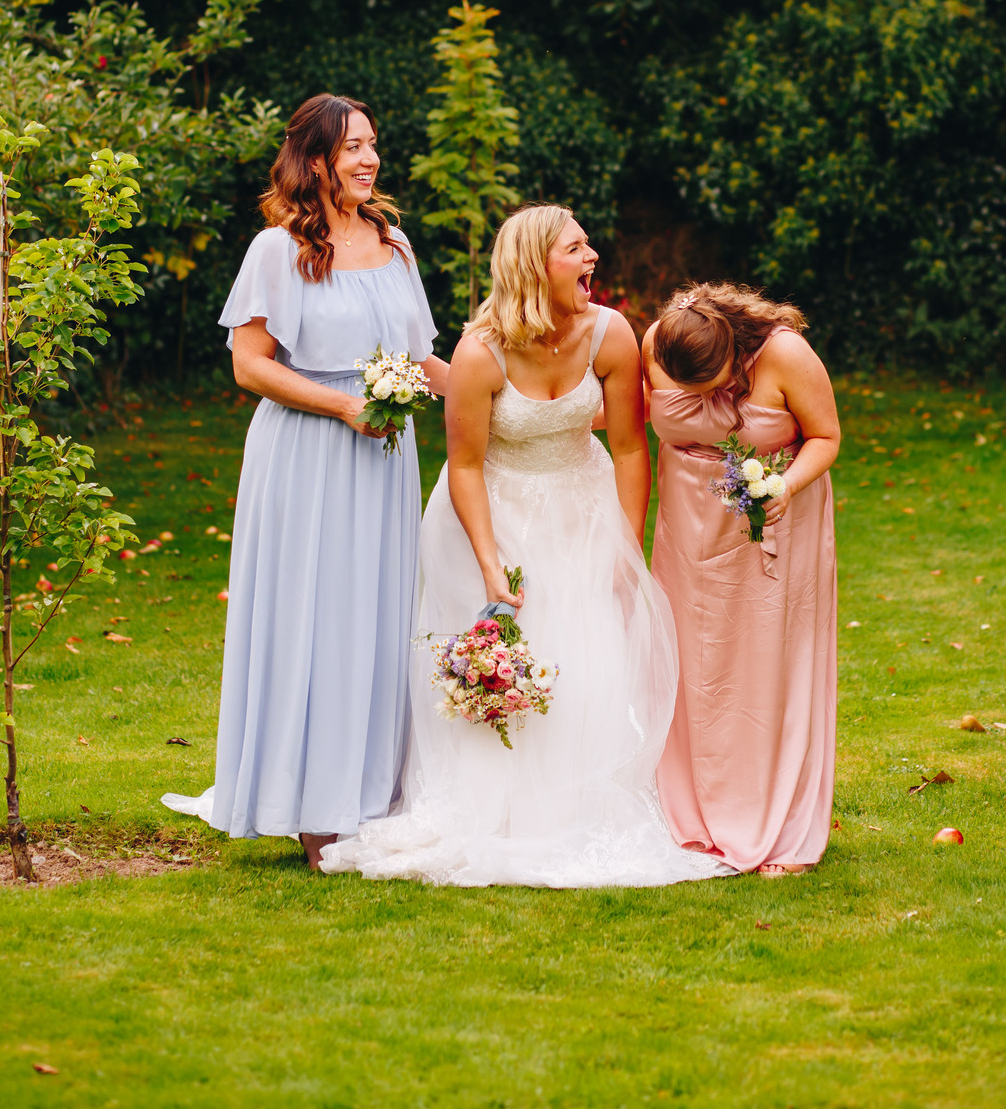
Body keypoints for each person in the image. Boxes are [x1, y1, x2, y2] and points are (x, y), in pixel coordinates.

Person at [320, 205, 728, 887]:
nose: (592, 256)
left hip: (581, 507)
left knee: (588, 648)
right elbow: (465, 466)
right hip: (489, 513)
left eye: (588, 245)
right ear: (537, 265)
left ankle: (577, 807)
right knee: (509, 649)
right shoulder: (481, 352)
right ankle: (493, 808)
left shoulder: (611, 335)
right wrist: (489, 563)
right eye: (576, 248)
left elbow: (631, 448)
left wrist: (623, 548)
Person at [163, 94, 447, 868]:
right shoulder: (276, 249)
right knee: (312, 618)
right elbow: (249, 366)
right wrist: (345, 405)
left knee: (378, 616)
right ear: (314, 159)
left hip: (384, 461)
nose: (369, 159)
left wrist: (509, 405)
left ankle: (371, 796)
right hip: (305, 455)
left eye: (372, 144)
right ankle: (310, 807)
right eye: (352, 146)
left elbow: (421, 359)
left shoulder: (395, 244)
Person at [643, 283, 840, 877]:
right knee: (690, 665)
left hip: (772, 527)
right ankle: (686, 809)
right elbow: (629, 410)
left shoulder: (786, 354)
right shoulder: (659, 340)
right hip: (686, 531)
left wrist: (785, 486)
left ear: (734, 351)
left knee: (763, 666)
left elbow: (826, 437)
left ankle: (770, 820)